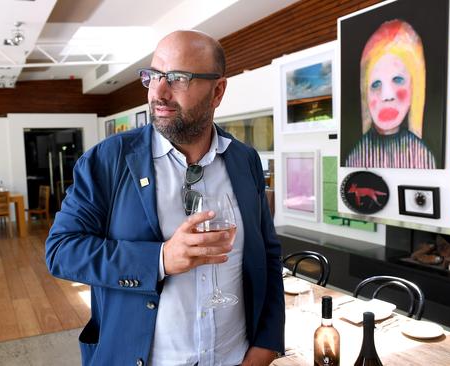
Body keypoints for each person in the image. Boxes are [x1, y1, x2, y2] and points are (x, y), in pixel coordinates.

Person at [46, 30, 284, 366]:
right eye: (153, 76)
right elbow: (61, 251)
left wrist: (267, 344)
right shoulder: (107, 161)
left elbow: (268, 254)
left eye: (178, 78)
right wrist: (159, 259)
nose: (159, 91)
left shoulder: (244, 160)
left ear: (217, 91)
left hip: (235, 357)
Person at [344, 19, 437, 169]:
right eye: (375, 84)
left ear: (415, 87)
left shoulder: (423, 155)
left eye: (398, 80)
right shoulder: (354, 158)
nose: (387, 95)